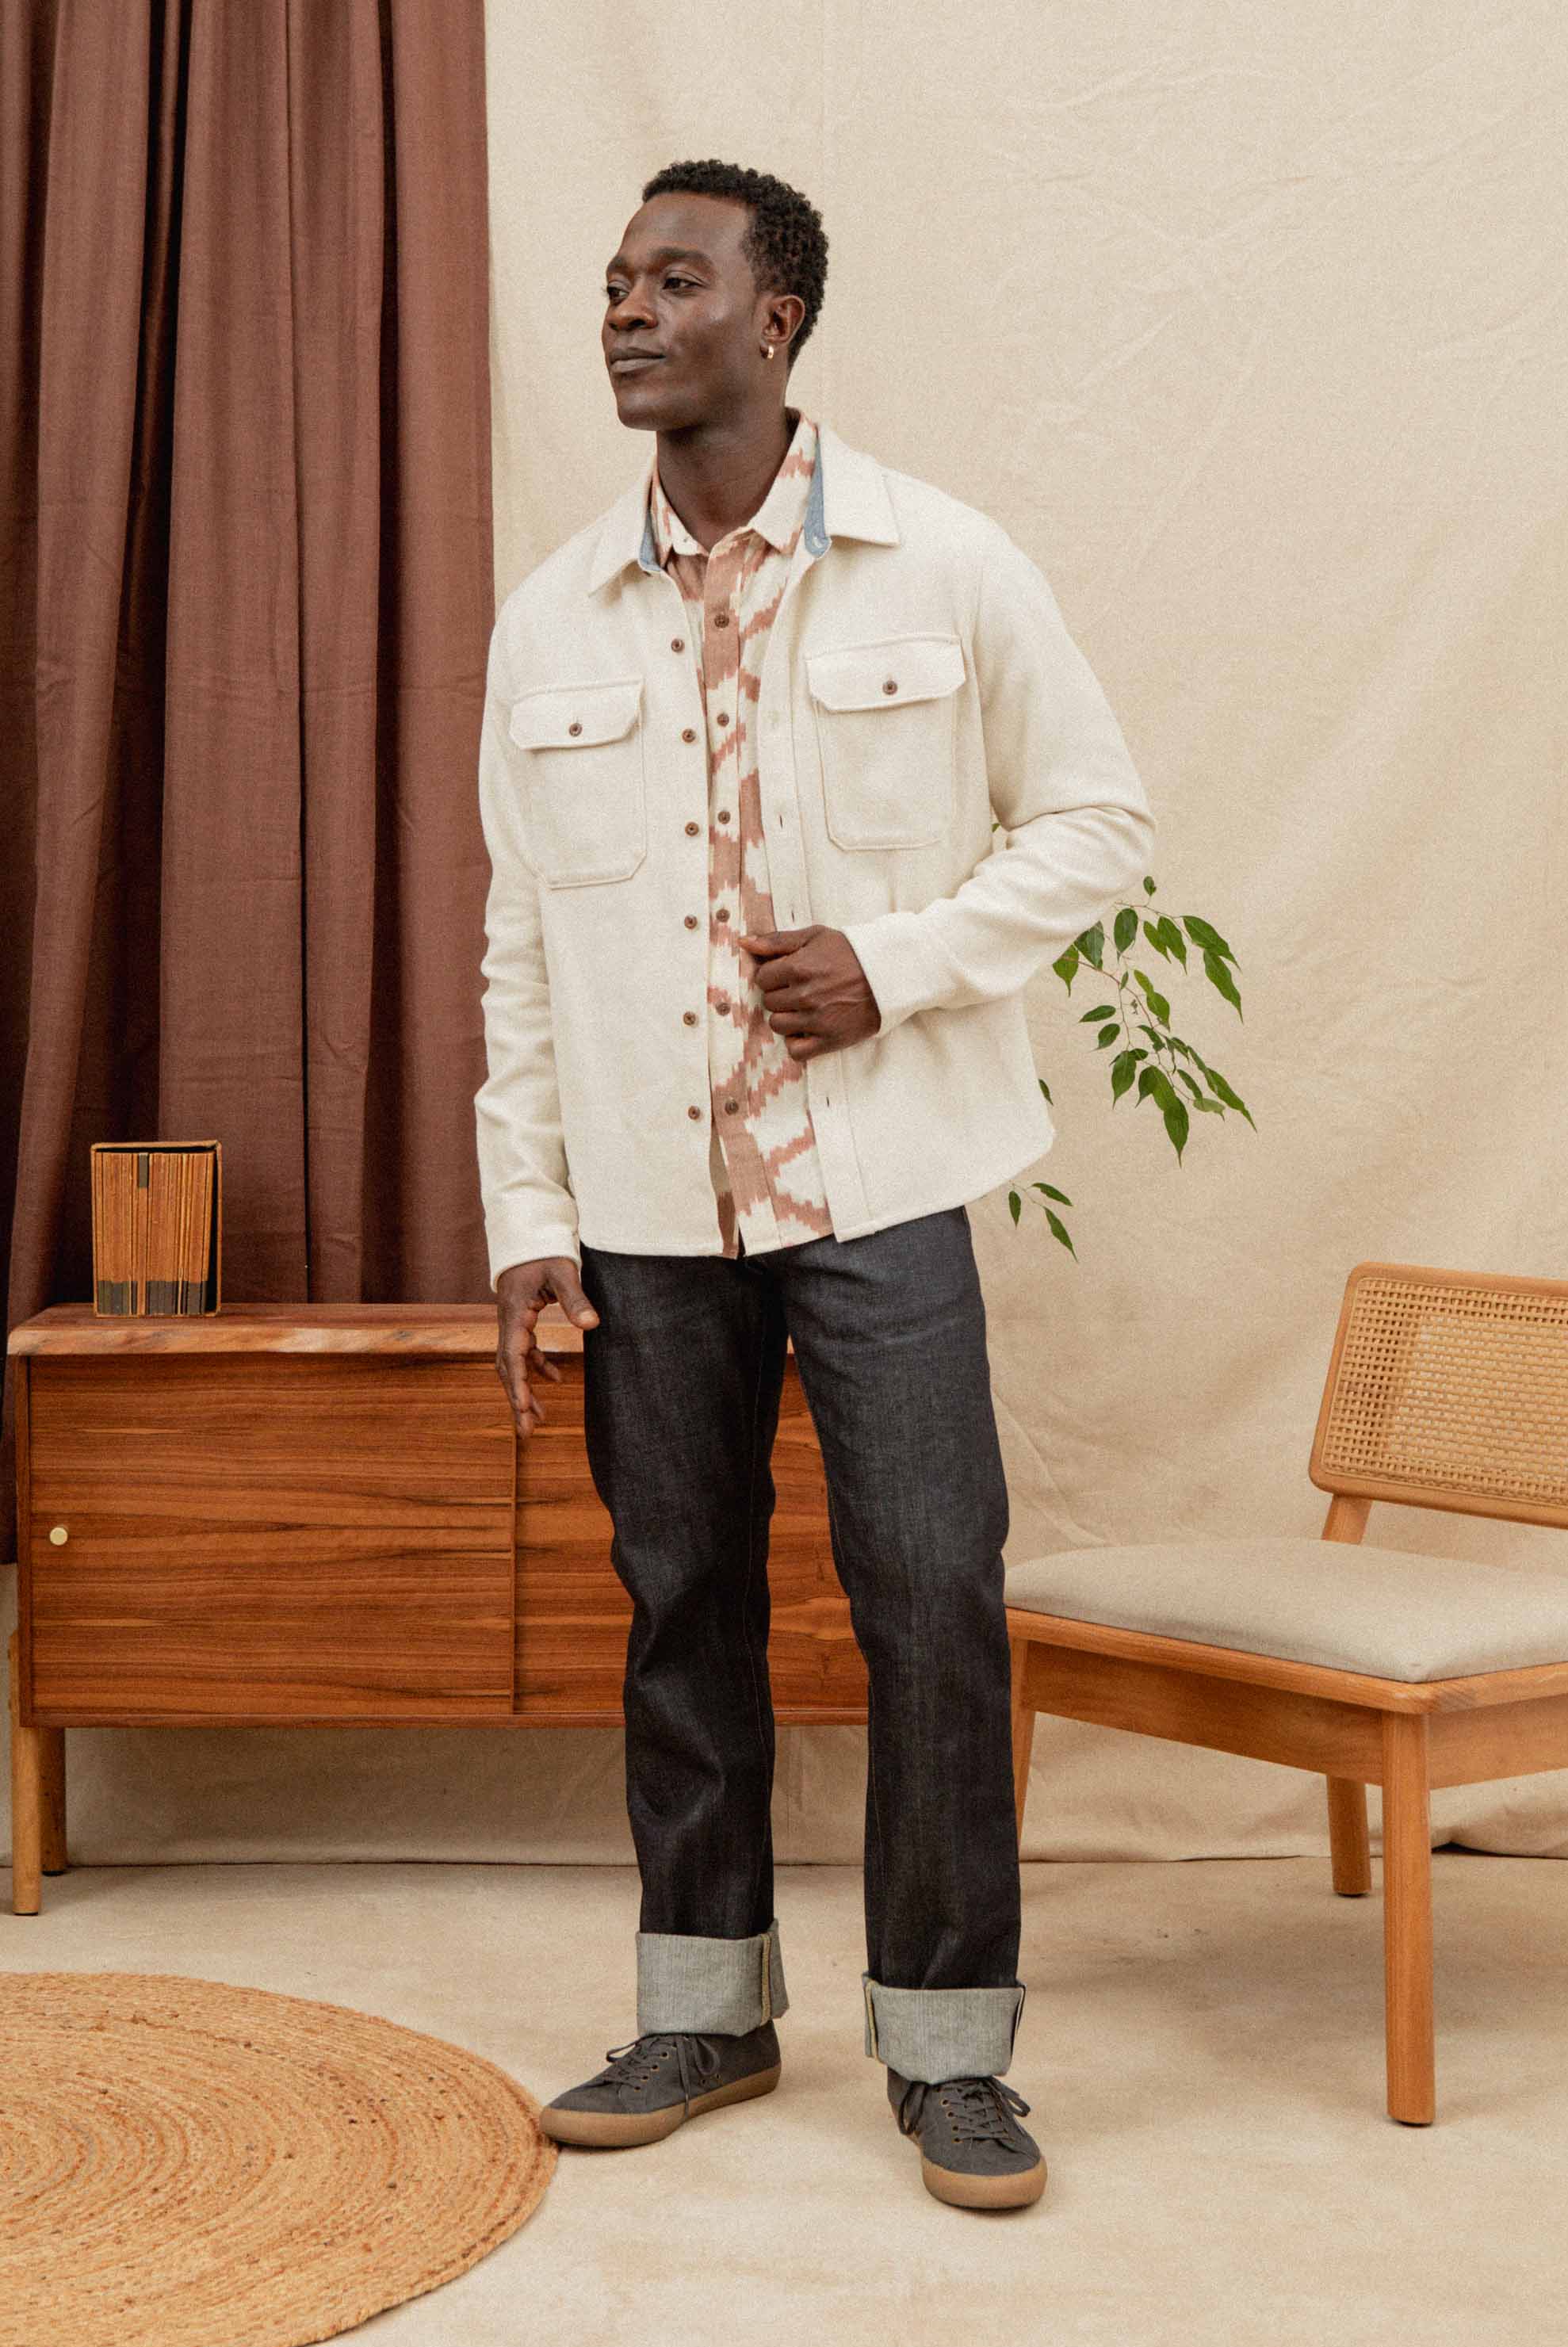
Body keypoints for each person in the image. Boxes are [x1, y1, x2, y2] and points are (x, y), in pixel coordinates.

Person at [474, 157, 1155, 2211]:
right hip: (649, 1211)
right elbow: (520, 941)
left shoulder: (944, 563)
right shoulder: (550, 614)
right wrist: (527, 1214)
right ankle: (705, 2011)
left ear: (775, 322)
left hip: (886, 1182)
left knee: (932, 1600)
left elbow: (1097, 822)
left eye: (674, 280)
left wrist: (901, 960)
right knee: (679, 1601)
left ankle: (952, 2051)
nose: (626, 309)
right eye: (616, 279)